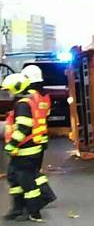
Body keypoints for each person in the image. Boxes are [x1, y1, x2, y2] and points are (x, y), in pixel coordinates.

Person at [2, 73, 49, 222]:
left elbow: (24, 127)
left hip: (25, 150)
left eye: (9, 90)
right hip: (28, 148)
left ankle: (34, 211)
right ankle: (18, 208)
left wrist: (12, 144)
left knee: (26, 180)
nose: (8, 93)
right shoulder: (27, 101)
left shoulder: (23, 104)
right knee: (14, 177)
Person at [20, 64, 56, 205]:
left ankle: (45, 194)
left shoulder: (30, 96)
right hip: (42, 136)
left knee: (30, 169)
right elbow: (46, 114)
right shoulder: (45, 95)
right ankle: (41, 194)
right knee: (35, 169)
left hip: (31, 137)